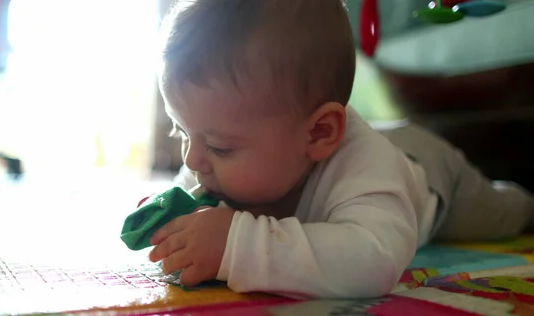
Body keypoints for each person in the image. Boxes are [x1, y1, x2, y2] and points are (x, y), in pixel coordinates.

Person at [145, 0, 534, 299]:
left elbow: (372, 264)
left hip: (432, 174)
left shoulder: (367, 169)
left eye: (219, 147)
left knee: (502, 215)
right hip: (387, 142)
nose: (192, 160)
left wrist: (236, 246)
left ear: (317, 134)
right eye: (182, 132)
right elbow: (196, 192)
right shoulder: (212, 157)